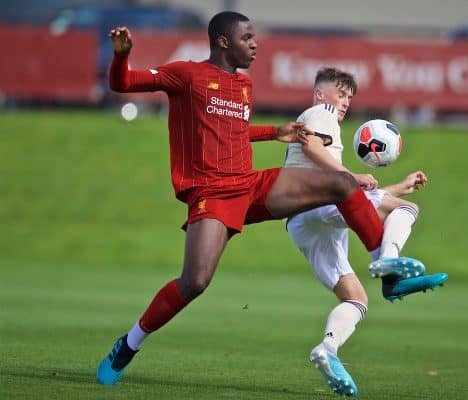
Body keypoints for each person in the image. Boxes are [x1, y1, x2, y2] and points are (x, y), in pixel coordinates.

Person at [96, 11, 413, 386]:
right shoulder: (186, 74)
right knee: (195, 282)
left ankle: (386, 267)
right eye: (247, 38)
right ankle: (129, 344)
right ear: (223, 41)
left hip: (250, 184)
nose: (255, 44)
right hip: (212, 193)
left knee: (342, 184)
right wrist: (121, 55)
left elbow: (231, 132)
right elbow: (123, 83)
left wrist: (273, 132)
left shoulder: (243, 87)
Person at [284, 67, 448, 396]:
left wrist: (396, 187)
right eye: (340, 93)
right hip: (320, 199)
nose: (344, 102)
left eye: (349, 97)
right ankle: (389, 265)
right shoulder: (321, 111)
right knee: (408, 211)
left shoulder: (327, 123)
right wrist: (350, 176)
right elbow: (313, 150)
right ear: (320, 94)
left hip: (302, 221)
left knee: (356, 299)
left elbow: (357, 205)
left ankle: (327, 350)